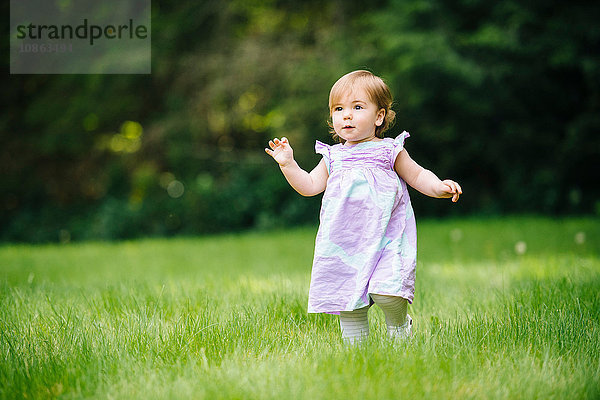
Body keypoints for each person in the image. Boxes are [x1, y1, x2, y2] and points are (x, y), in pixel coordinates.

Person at [265, 70, 462, 344]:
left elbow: (417, 175)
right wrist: (288, 164)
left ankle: (400, 330)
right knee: (349, 304)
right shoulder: (333, 156)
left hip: (386, 237)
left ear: (379, 116)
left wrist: (438, 186)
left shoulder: (389, 150)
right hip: (345, 243)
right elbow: (309, 186)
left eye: (357, 107)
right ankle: (359, 359)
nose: (347, 115)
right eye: (339, 109)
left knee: (388, 293)